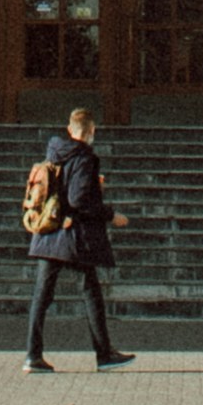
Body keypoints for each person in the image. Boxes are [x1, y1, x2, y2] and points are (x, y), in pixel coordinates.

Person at [24, 105, 124, 371]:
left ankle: (32, 355)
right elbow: (78, 199)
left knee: (42, 295)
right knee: (91, 291)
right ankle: (104, 354)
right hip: (73, 235)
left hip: (48, 230)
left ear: (70, 129)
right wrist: (109, 214)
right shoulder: (85, 158)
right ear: (92, 131)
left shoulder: (54, 153)